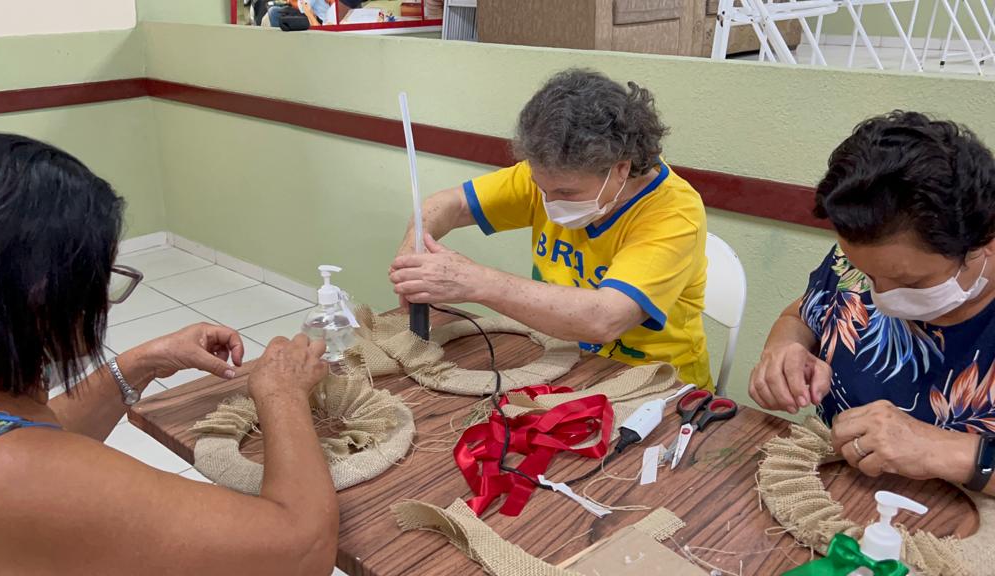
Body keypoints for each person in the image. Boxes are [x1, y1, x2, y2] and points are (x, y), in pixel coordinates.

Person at [0, 134, 339, 574]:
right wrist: (283, 394)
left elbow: (16, 432)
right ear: (41, 298)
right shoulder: (10, 477)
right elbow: (301, 550)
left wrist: (142, 362)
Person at [389, 69, 712, 389]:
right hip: (566, 357)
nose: (548, 201)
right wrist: (411, 253)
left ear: (621, 168)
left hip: (656, 383)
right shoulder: (552, 174)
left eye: (566, 194)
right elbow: (449, 204)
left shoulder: (674, 213)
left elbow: (606, 318)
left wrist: (475, 281)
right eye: (540, 187)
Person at [749, 111, 995, 495]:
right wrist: (785, 348)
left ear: (985, 243)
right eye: (865, 274)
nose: (879, 295)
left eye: (908, 281)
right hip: (835, 495)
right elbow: (801, 314)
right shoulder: (869, 255)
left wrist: (948, 452)